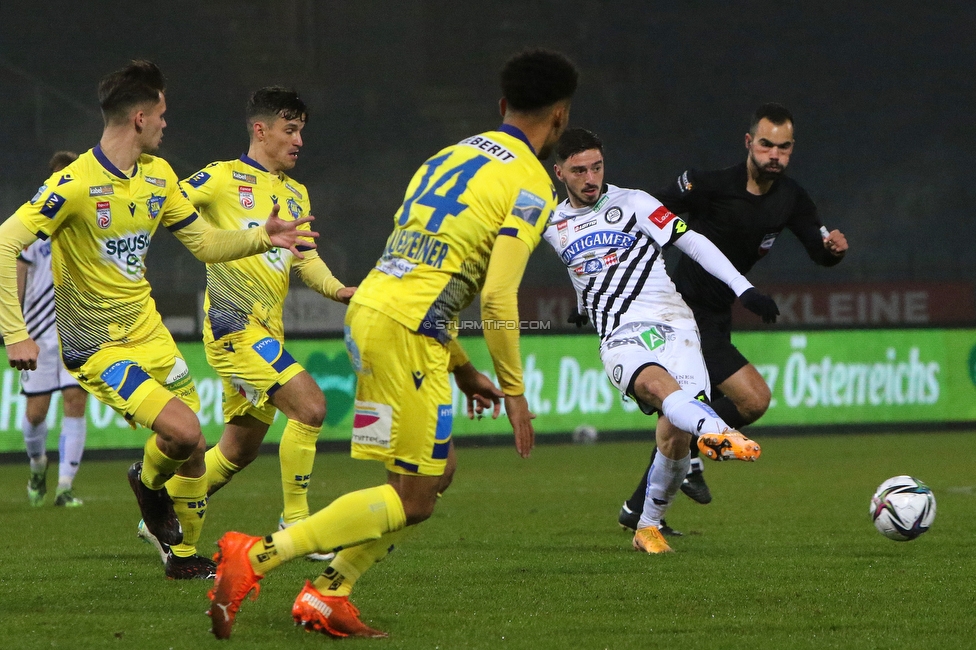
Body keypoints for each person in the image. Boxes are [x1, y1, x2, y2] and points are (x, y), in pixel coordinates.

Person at [205, 48, 578, 640]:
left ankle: (329, 593)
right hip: (407, 333)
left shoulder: (449, 155)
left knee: (429, 476)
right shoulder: (532, 184)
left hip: (373, 316)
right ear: (559, 117)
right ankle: (254, 558)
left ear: (503, 105)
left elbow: (422, 263)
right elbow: (499, 297)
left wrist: (459, 366)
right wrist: (514, 390)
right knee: (417, 498)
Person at [0, 60, 314, 579]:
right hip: (96, 343)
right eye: (163, 114)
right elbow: (7, 240)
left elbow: (207, 244)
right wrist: (15, 333)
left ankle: (184, 558)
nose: (169, 123)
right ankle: (146, 485)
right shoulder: (74, 183)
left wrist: (264, 235)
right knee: (187, 432)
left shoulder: (160, 177)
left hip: (151, 334)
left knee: (189, 450)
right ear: (140, 118)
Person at [136, 87, 355, 566]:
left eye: (301, 131)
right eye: (290, 130)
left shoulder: (295, 193)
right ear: (261, 130)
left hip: (267, 330)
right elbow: (165, 208)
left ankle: (161, 509)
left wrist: (340, 291)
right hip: (233, 325)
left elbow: (307, 261)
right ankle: (296, 522)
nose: (299, 141)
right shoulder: (219, 178)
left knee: (237, 451)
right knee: (312, 407)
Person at [618, 103, 849, 531]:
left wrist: (832, 251)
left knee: (690, 415)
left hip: (718, 315)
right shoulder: (709, 185)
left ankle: (642, 506)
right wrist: (607, 282)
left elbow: (819, 251)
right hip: (681, 313)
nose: (773, 155)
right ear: (749, 143)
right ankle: (678, 464)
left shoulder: (791, 199)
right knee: (751, 398)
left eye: (783, 147)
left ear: (791, 149)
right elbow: (645, 216)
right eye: (766, 145)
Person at [547, 127, 776, 553]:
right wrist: (585, 303)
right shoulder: (549, 222)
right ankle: (718, 431)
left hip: (675, 323)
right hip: (620, 334)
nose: (590, 177)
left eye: (597, 166)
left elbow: (694, 243)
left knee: (674, 437)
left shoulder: (635, 203)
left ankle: (647, 526)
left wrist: (743, 288)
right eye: (579, 170)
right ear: (560, 172)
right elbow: (578, 264)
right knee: (656, 387)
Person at [19, 150, 89, 508]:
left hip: (77, 330)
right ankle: (37, 465)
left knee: (76, 402)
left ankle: (65, 486)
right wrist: (15, 326)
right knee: (36, 415)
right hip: (37, 334)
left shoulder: (87, 224)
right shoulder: (33, 226)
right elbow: (16, 272)